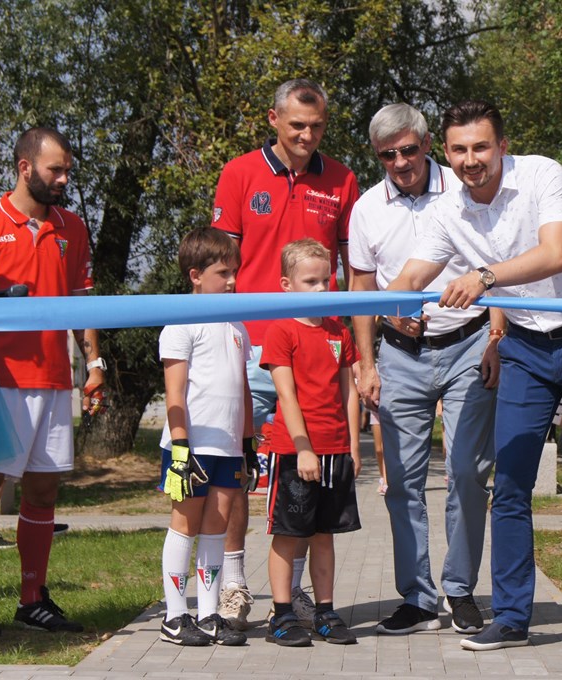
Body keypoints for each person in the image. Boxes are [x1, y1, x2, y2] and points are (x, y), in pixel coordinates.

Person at [387, 100, 562, 657]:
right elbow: (413, 274)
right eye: (459, 150)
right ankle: (514, 616)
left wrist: (484, 277)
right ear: (445, 154)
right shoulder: (447, 210)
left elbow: (554, 253)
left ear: (501, 146)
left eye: (480, 147)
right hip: (523, 345)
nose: (471, 160)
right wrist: (384, 306)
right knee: (511, 485)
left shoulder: (543, 173)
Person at [211, 79, 360, 629]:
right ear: (272, 119)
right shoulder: (239, 173)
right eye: (296, 124)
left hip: (317, 351)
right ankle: (231, 582)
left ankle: (292, 594)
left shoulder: (343, 178)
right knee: (235, 473)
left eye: (316, 126)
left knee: (307, 481)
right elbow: (220, 265)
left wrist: (358, 348)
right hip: (249, 348)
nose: (306, 135)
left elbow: (355, 267)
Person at [348, 103, 501, 636]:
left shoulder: (465, 189)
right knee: (400, 485)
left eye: (409, 149)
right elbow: (362, 292)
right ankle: (417, 596)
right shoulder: (366, 208)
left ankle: (460, 590)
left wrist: (497, 338)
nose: (400, 161)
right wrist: (366, 363)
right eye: (387, 154)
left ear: (428, 143)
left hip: (468, 344)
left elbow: (500, 264)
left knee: (465, 473)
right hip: (398, 356)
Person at [0, 127, 107, 636]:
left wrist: (95, 366)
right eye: (56, 170)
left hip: (54, 379)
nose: (64, 179)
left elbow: (82, 300)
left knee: (44, 489)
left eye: (68, 169)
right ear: (26, 167)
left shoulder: (71, 226)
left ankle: (32, 600)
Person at [260, 239, 361, 647]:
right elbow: (287, 395)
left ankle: (325, 610)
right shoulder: (280, 330)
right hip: (294, 450)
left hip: (336, 450)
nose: (321, 288)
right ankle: (281, 615)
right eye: (310, 281)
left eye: (327, 279)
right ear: (287, 284)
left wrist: (353, 447)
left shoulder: (339, 330)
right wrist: (303, 447)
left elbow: (350, 392)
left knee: (324, 534)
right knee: (288, 533)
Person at [156, 228, 254, 647]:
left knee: (216, 528)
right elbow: (174, 392)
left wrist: (247, 445)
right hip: (190, 447)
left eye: (234, 271)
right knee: (186, 524)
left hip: (229, 448)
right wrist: (180, 447)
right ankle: (175, 617)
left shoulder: (237, 324)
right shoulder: (181, 321)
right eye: (222, 273)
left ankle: (209, 612)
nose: (232, 281)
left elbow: (243, 390)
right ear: (195, 275)